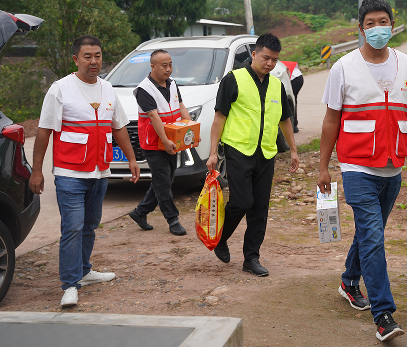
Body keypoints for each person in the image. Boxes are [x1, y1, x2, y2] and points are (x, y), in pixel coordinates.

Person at [317, 0, 407, 342]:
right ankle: (384, 315)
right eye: (370, 24)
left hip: (392, 165)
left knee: (370, 233)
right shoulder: (343, 67)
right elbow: (331, 119)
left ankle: (349, 281)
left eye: (383, 22)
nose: (378, 28)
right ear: (361, 29)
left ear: (392, 25)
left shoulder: (406, 63)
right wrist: (323, 166)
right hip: (355, 165)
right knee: (373, 236)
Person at [30, 35, 140, 307]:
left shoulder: (107, 88)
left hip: (100, 171)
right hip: (69, 173)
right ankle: (69, 284)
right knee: (73, 227)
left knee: (90, 225)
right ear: (76, 59)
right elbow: (43, 132)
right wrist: (37, 171)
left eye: (98, 55)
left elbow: (119, 128)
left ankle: (85, 271)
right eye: (88, 56)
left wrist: (132, 159)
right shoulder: (60, 89)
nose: (94, 61)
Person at [206, 33, 299, 277]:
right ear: (254, 54)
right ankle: (221, 238)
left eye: (275, 60)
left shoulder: (277, 85)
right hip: (238, 151)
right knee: (242, 201)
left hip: (266, 154)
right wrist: (213, 152)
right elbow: (219, 118)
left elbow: (285, 120)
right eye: (266, 58)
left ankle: (251, 258)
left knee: (259, 208)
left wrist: (294, 150)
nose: (270, 64)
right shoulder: (233, 80)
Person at [128, 49, 193, 236]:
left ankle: (140, 212)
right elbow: (154, 117)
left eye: (170, 64)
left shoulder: (172, 84)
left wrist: (191, 129)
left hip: (173, 139)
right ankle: (173, 220)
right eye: (164, 65)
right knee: (163, 182)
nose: (168, 69)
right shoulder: (143, 89)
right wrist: (164, 141)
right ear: (153, 66)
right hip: (153, 144)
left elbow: (181, 106)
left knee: (163, 180)